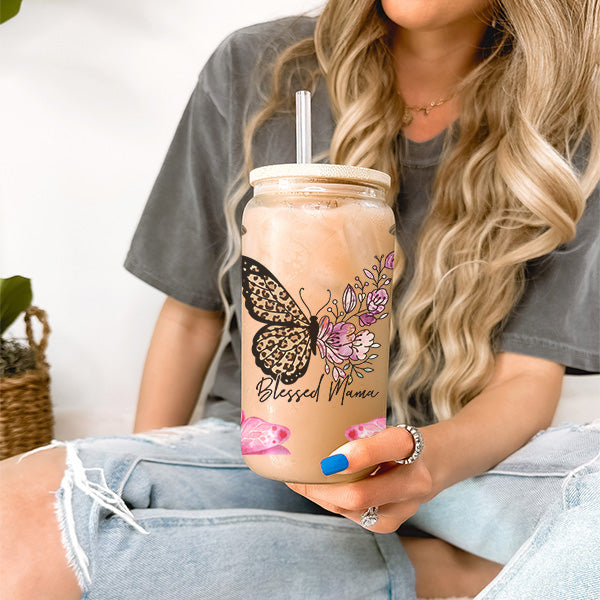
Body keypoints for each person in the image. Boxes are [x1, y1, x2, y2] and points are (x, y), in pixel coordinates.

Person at [1, 0, 599, 598]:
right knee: (14, 518)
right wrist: (152, 484)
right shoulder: (256, 67)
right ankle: (443, 577)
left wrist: (428, 463)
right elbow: (189, 319)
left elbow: (525, 378)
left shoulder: (570, 114)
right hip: (268, 446)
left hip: (463, 460)